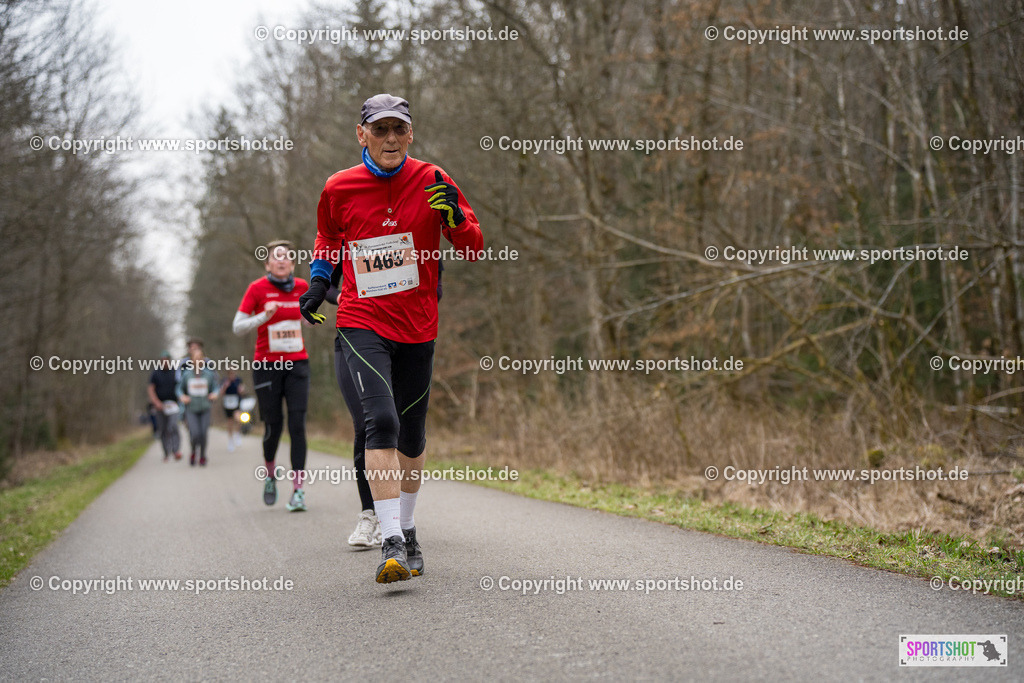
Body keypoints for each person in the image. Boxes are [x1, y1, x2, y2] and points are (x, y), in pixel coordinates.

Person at [300, 94, 483, 583]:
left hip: (418, 324)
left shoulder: (434, 179)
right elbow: (328, 238)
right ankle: (392, 541)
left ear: (410, 133)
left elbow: (473, 248)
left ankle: (409, 526)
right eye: (379, 129)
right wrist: (318, 280)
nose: (390, 138)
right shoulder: (338, 186)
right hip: (362, 319)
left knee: (413, 434)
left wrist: (455, 219)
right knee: (380, 421)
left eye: (398, 129)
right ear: (361, 134)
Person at [326, 258, 444, 547]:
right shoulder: (350, 233)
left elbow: (436, 287)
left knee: (404, 426)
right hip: (358, 335)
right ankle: (370, 516)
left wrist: (402, 296)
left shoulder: (415, 236)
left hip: (405, 335)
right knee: (370, 423)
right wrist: (342, 296)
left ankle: (396, 519)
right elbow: (326, 283)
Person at [233, 240, 312, 512]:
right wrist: (262, 317)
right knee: (273, 426)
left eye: (286, 257)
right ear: (267, 265)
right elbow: (237, 327)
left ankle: (298, 490)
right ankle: (269, 475)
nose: (281, 261)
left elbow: (307, 319)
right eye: (275, 258)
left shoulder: (302, 286)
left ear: (292, 263)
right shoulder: (257, 289)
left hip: (298, 364)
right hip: (267, 366)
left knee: (298, 425)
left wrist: (309, 317)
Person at [176, 340, 219, 466]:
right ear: (192, 360)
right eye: (196, 358)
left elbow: (215, 386)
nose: (198, 360)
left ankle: (203, 455)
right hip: (191, 408)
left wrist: (215, 393)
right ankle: (194, 451)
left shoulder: (209, 374)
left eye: (200, 358)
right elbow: (178, 388)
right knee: (194, 433)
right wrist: (182, 396)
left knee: (203, 434)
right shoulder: (186, 374)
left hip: (205, 407)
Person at [147, 351, 182, 461]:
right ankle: (166, 452)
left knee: (173, 426)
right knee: (163, 429)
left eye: (166, 360)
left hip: (173, 405)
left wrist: (180, 398)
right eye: (162, 360)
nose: (164, 362)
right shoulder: (156, 373)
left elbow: (180, 387)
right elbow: (151, 389)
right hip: (160, 406)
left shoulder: (175, 372)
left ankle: (176, 450)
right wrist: (156, 402)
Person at [220, 371, 245, 452]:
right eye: (231, 374)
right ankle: (230, 441)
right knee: (230, 422)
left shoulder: (238, 380)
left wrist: (241, 390)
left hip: (236, 402)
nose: (232, 376)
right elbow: (221, 393)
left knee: (238, 419)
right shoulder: (224, 381)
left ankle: (237, 434)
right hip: (227, 403)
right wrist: (225, 386)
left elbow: (242, 391)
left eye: (233, 374)